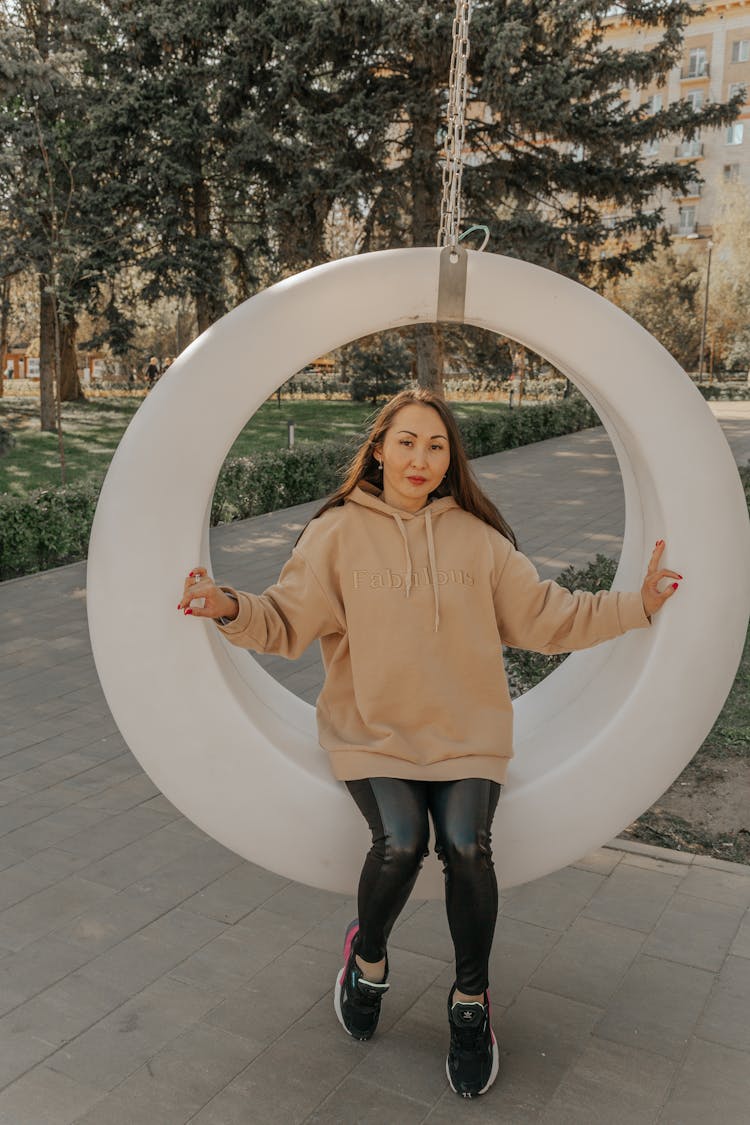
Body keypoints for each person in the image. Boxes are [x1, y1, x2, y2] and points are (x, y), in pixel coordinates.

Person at [176, 388, 682, 1099]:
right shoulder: (338, 532)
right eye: (407, 442)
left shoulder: (476, 537)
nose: (421, 458)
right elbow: (286, 619)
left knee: (468, 845)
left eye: (437, 445)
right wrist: (227, 605)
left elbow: (547, 616)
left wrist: (640, 604)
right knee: (403, 841)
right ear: (379, 448)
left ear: (451, 460)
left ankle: (470, 1005)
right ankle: (370, 960)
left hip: (467, 731)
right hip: (372, 729)